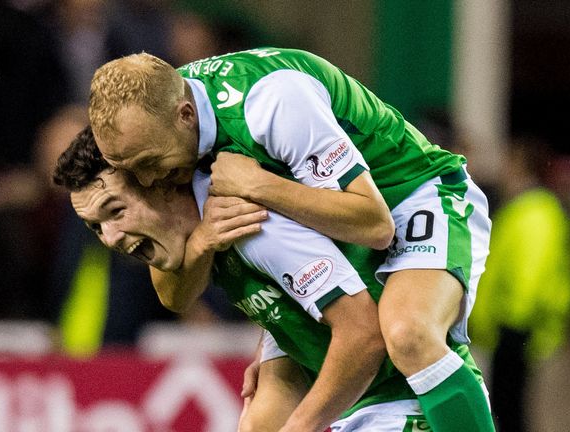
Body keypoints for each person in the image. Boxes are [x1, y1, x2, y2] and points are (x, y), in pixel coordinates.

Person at [87, 47, 494, 431]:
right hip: (339, 219)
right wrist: (274, 331)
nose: (146, 181)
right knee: (263, 421)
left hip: (415, 194)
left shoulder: (273, 102)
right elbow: (175, 286)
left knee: (409, 333)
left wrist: (259, 185)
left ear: (186, 115)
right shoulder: (172, 122)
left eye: (148, 164)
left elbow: (375, 226)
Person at [54, 127, 451, 431]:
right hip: (340, 349)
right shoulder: (186, 232)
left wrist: (301, 427)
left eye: (115, 211)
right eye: (95, 226)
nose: (110, 238)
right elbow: (173, 295)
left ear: (155, 180)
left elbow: (364, 333)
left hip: (395, 384)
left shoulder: (252, 221)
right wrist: (204, 247)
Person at [469, 137, 570, 431]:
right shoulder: (525, 209)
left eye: (507, 164)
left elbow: (529, 272)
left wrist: (513, 320)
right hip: (509, 326)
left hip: (515, 328)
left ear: (520, 168)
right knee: (506, 407)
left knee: (510, 410)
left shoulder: (536, 211)